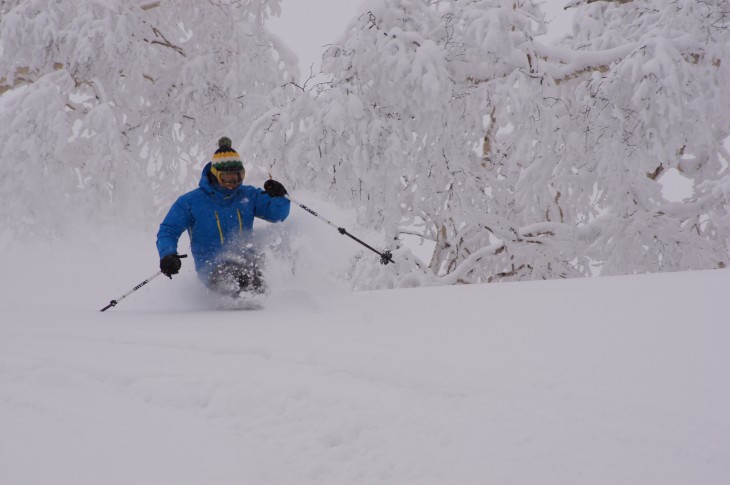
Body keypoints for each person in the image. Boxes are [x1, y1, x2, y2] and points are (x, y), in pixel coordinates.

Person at [156, 136, 290, 296]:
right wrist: (168, 254)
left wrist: (279, 197)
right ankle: (243, 307)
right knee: (237, 276)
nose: (233, 182)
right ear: (215, 174)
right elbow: (168, 230)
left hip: (248, 261)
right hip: (212, 266)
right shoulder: (191, 202)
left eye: (239, 176)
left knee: (265, 271)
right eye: (226, 178)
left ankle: (275, 308)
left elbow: (277, 215)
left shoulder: (248, 195)